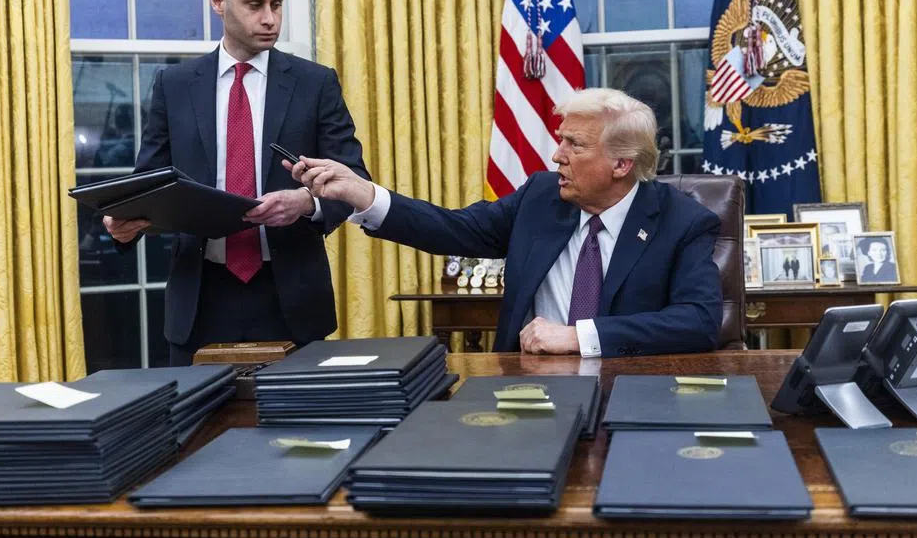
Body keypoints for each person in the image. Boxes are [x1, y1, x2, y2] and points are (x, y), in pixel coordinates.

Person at [291, 88, 723, 358]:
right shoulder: (541, 197)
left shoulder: (682, 221)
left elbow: (698, 321)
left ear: (621, 164)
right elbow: (452, 228)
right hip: (526, 388)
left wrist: (578, 337)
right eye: (560, 141)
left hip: (630, 391)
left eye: (574, 145)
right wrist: (364, 195)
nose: (558, 156)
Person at [103, 0, 369, 365]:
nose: (270, 18)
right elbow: (149, 183)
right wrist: (125, 224)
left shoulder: (315, 84)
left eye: (277, 4)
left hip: (291, 300)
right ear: (217, 1)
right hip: (200, 298)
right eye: (255, 5)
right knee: (197, 430)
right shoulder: (174, 85)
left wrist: (308, 203)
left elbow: (354, 179)